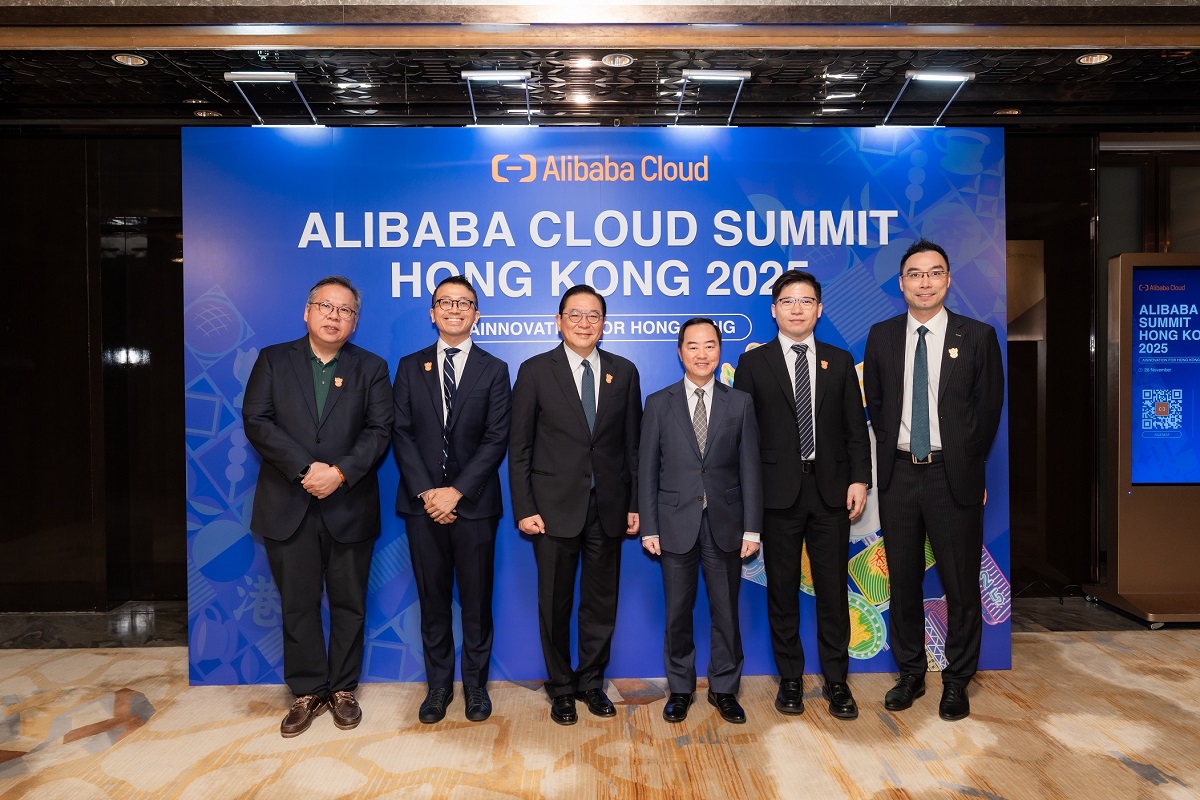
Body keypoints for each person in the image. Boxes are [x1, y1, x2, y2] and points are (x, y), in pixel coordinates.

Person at [242, 275, 393, 738]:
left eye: (345, 310)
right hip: (289, 502)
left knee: (349, 604)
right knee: (298, 604)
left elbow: (379, 430)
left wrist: (340, 472)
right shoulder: (273, 360)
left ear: (355, 322)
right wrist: (307, 469)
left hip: (349, 504)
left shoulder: (371, 367)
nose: (334, 315)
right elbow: (257, 419)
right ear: (307, 312)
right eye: (326, 306)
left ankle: (343, 688)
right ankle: (307, 691)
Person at [863, 239, 1004, 722]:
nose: (925, 282)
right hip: (899, 474)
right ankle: (910, 673)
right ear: (901, 283)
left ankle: (957, 681)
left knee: (961, 584)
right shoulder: (881, 335)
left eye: (934, 272)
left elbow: (988, 410)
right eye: (915, 274)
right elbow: (878, 406)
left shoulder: (978, 335)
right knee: (901, 580)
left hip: (952, 475)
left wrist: (969, 462)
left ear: (947, 280)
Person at [733, 270, 872, 720]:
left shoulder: (839, 358)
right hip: (777, 496)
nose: (797, 308)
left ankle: (837, 682)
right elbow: (744, 438)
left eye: (806, 300)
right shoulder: (754, 364)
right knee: (783, 592)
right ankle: (790, 679)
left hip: (831, 492)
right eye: (788, 301)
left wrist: (860, 479)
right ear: (774, 309)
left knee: (833, 591)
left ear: (820, 308)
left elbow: (856, 429)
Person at [508, 284, 642, 726]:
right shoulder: (534, 371)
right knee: (555, 602)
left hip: (608, 506)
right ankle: (561, 687)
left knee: (601, 602)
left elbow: (632, 447)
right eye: (575, 315)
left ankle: (590, 683)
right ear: (559, 321)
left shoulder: (623, 372)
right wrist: (525, 506)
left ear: (604, 324)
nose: (584, 323)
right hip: (551, 508)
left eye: (593, 316)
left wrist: (635, 504)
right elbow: (520, 447)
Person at [392, 275, 511, 724]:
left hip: (475, 505)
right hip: (422, 507)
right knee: (433, 601)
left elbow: (497, 438)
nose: (455, 310)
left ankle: (476, 687)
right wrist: (429, 493)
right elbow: (400, 432)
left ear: (476, 314)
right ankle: (439, 687)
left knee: (477, 602)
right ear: (433, 312)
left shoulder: (494, 369)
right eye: (446, 302)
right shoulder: (409, 366)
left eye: (464, 303)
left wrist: (457, 492)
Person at [639, 318, 763, 724]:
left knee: (725, 611)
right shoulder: (659, 402)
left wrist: (751, 527)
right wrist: (650, 526)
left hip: (726, 524)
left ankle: (725, 689)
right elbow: (647, 471)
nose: (702, 354)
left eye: (710, 346)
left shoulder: (739, 402)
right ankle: (680, 689)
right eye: (693, 346)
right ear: (680, 352)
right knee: (677, 612)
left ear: (719, 351)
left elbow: (750, 469)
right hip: (674, 524)